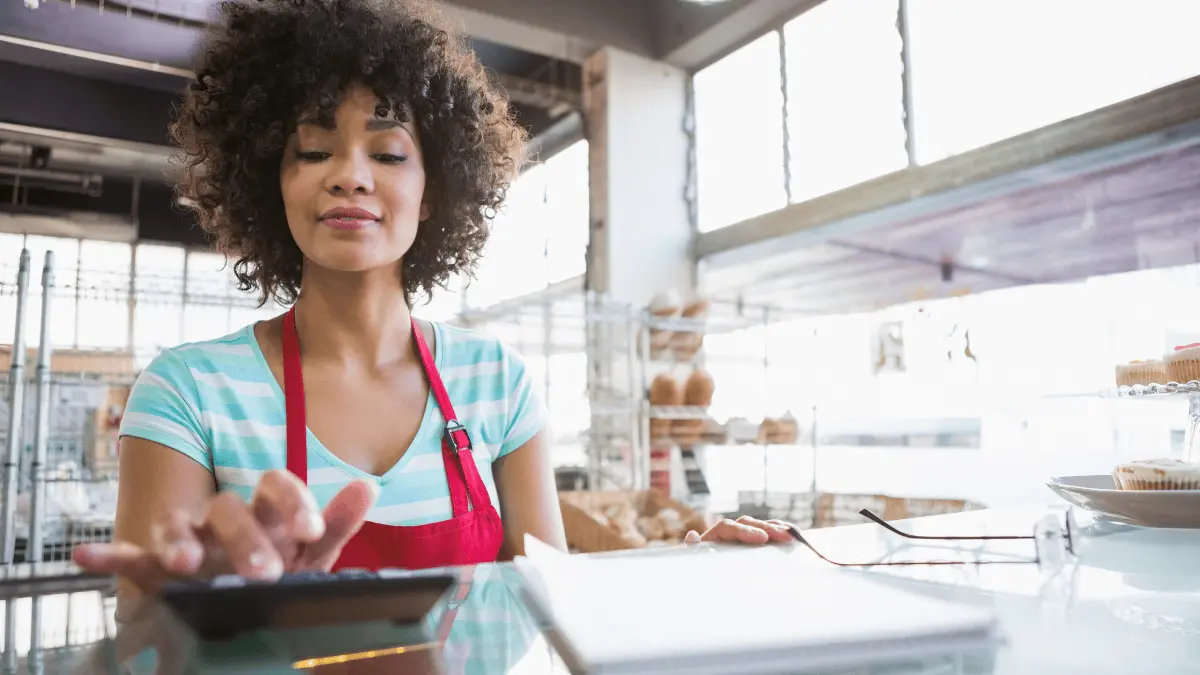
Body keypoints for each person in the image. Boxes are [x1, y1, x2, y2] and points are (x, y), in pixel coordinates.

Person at [73, 0, 793, 608]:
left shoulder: (496, 383)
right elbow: (141, 639)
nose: (350, 176)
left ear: (435, 189)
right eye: (314, 152)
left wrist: (684, 575)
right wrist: (199, 607)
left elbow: (550, 604)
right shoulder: (187, 392)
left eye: (387, 154)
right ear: (268, 181)